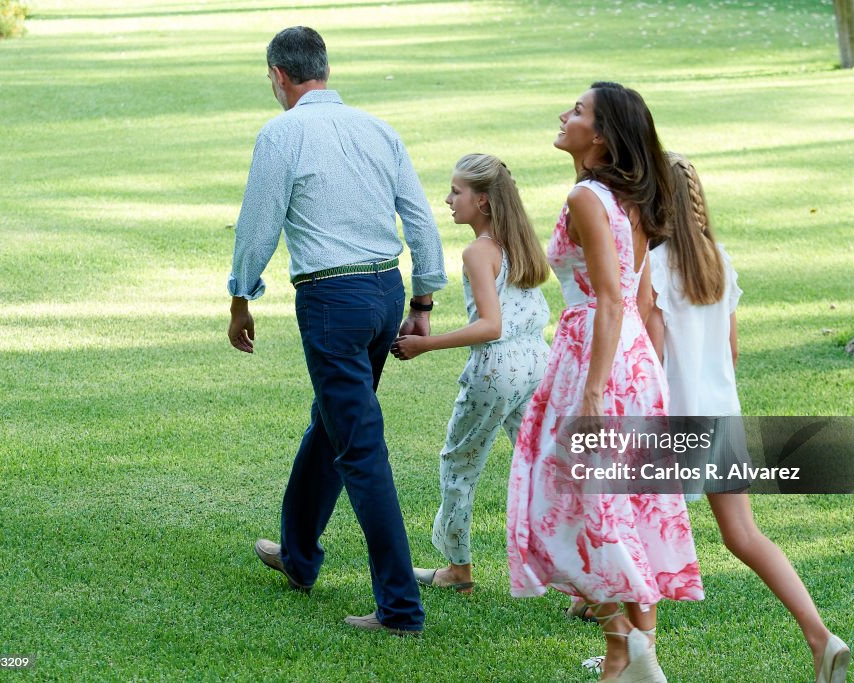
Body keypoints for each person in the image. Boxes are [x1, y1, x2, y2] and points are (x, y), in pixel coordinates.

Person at [226, 26, 447, 636]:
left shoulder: (281, 133)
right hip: (384, 292)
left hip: (330, 301)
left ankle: (400, 610)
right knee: (333, 423)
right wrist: (422, 298)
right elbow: (420, 218)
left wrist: (241, 298)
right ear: (323, 68)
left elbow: (257, 225)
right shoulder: (378, 128)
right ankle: (298, 556)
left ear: (278, 76)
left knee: (360, 449)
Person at [506, 83, 703, 683]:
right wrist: (646, 384)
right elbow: (642, 298)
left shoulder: (586, 197)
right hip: (633, 361)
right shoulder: (629, 199)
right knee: (626, 505)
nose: (564, 115)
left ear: (601, 136)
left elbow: (613, 299)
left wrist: (594, 391)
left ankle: (628, 649)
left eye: (578, 111)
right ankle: (632, 656)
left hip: (595, 357)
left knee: (572, 505)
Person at [643, 153, 850, 683]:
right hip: (721, 415)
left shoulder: (654, 266)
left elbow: (651, 354)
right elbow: (731, 351)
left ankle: (636, 660)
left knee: (642, 535)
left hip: (672, 421)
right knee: (744, 534)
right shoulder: (719, 258)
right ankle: (820, 635)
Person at [390, 153, 550, 594]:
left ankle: (458, 569)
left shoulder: (479, 251)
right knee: (541, 467)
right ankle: (582, 579)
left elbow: (490, 326)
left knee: (459, 463)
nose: (447, 199)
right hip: (537, 363)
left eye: (456, 191)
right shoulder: (520, 241)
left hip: (497, 370)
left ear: (482, 201)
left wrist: (425, 344)